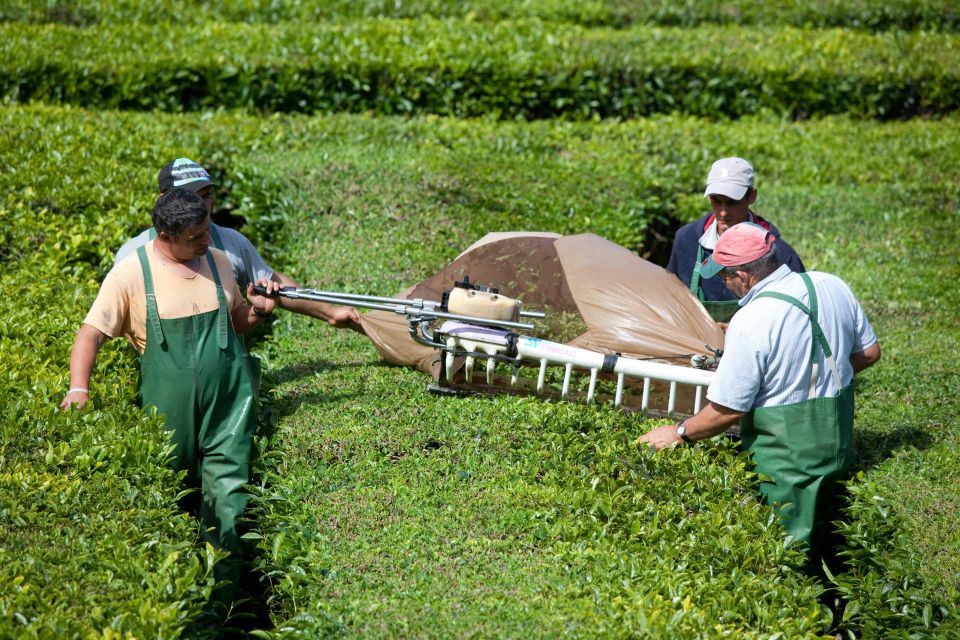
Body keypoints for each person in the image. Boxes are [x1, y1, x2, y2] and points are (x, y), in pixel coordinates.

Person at [61, 188, 280, 616]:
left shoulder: (217, 262)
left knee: (228, 501)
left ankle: (223, 607)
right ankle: (181, 610)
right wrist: (78, 388)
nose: (206, 243)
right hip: (167, 417)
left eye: (206, 233)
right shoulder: (132, 274)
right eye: (195, 237)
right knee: (171, 504)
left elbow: (234, 323)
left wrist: (258, 311)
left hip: (226, 411)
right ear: (164, 234)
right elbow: (90, 333)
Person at [639, 222, 881, 573]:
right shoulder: (832, 285)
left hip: (786, 460)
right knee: (836, 543)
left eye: (723, 276)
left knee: (787, 557)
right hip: (835, 441)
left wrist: (677, 433)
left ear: (743, 276)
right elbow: (869, 353)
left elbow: (726, 411)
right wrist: (815, 379)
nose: (723, 283)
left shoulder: (751, 320)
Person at [115, 158, 362, 331]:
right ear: (164, 200)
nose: (202, 205)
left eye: (206, 195)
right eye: (191, 197)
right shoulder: (133, 254)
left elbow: (272, 283)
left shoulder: (230, 243)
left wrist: (330, 313)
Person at [666, 157, 805, 324]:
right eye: (716, 201)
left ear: (751, 196)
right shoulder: (687, 241)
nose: (723, 212)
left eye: (732, 202)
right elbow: (671, 296)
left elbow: (795, 315)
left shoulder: (779, 254)